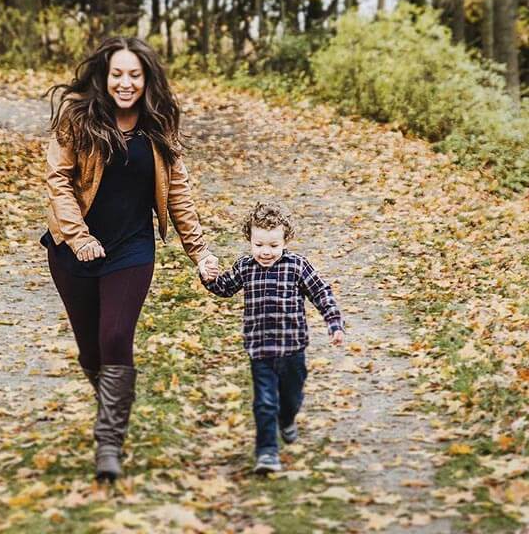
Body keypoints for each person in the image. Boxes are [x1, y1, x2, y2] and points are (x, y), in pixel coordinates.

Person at [40, 36, 219, 482]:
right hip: (72, 252)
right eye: (117, 74)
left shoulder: (158, 124)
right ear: (104, 76)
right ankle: (113, 409)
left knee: (116, 336)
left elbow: (177, 192)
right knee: (91, 349)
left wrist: (200, 252)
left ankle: (109, 445)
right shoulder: (77, 119)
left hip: (132, 249)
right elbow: (58, 181)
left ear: (147, 79)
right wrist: (79, 238)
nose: (125, 83)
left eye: (134, 75)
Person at [200, 202, 344, 474]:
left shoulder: (297, 266)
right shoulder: (245, 266)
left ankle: (287, 419)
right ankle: (267, 452)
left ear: (285, 241)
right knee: (264, 402)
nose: (265, 252)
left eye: (273, 246)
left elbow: (321, 292)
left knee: (291, 396)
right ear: (250, 240)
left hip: (292, 348)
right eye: (259, 245)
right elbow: (224, 287)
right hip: (260, 349)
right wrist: (208, 277)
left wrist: (334, 323)